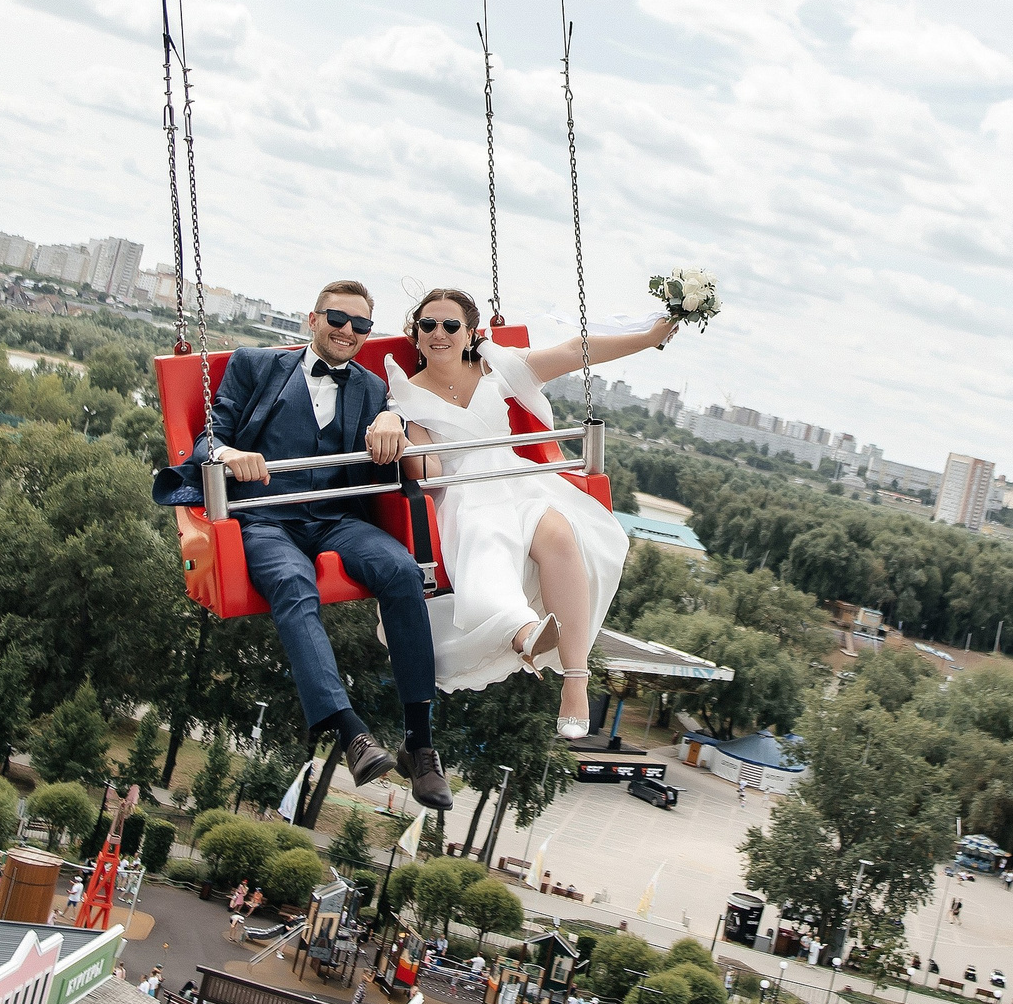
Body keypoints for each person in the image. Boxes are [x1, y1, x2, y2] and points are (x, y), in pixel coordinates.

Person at [154, 280, 450, 809]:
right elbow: (208, 437)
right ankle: (348, 729)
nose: (348, 332)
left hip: (335, 517)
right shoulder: (255, 366)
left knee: (403, 570)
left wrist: (392, 419)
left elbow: (401, 427)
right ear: (311, 319)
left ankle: (420, 743)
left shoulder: (369, 387)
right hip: (266, 518)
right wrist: (227, 457)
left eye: (361, 326)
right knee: (293, 583)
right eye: (338, 319)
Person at [383, 287, 678, 734]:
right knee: (490, 545)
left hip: (520, 478)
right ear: (416, 333)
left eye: (450, 326)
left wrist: (647, 337)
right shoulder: (407, 394)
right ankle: (522, 631)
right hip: (464, 490)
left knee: (560, 533)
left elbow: (573, 352)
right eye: (428, 325)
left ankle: (575, 682)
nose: (438, 334)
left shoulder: (497, 368)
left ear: (469, 333)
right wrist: (401, 437)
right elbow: (431, 468)